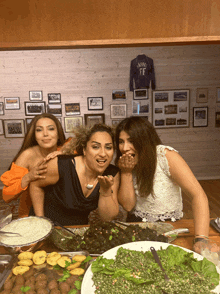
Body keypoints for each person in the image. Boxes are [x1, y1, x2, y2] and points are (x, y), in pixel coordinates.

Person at [115, 116, 210, 253]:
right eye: (121, 142)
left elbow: (198, 195)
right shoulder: (125, 163)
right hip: (138, 229)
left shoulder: (165, 156)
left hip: (171, 227)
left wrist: (201, 239)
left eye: (131, 141)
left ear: (144, 140)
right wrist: (126, 172)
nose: (124, 148)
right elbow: (128, 205)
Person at [29, 123, 120, 225]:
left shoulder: (112, 174)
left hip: (76, 228)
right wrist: (40, 221)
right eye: (95, 147)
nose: (103, 154)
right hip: (47, 225)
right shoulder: (61, 165)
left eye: (108, 147)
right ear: (84, 150)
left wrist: (106, 191)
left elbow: (107, 218)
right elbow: (35, 185)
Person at [1, 113, 66, 218]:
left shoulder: (67, 151)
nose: (45, 134)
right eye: (39, 130)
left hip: (62, 211)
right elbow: (6, 196)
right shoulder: (27, 155)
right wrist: (28, 177)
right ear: (34, 136)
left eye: (50, 129)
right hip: (31, 214)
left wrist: (65, 151)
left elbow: (80, 141)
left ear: (58, 134)